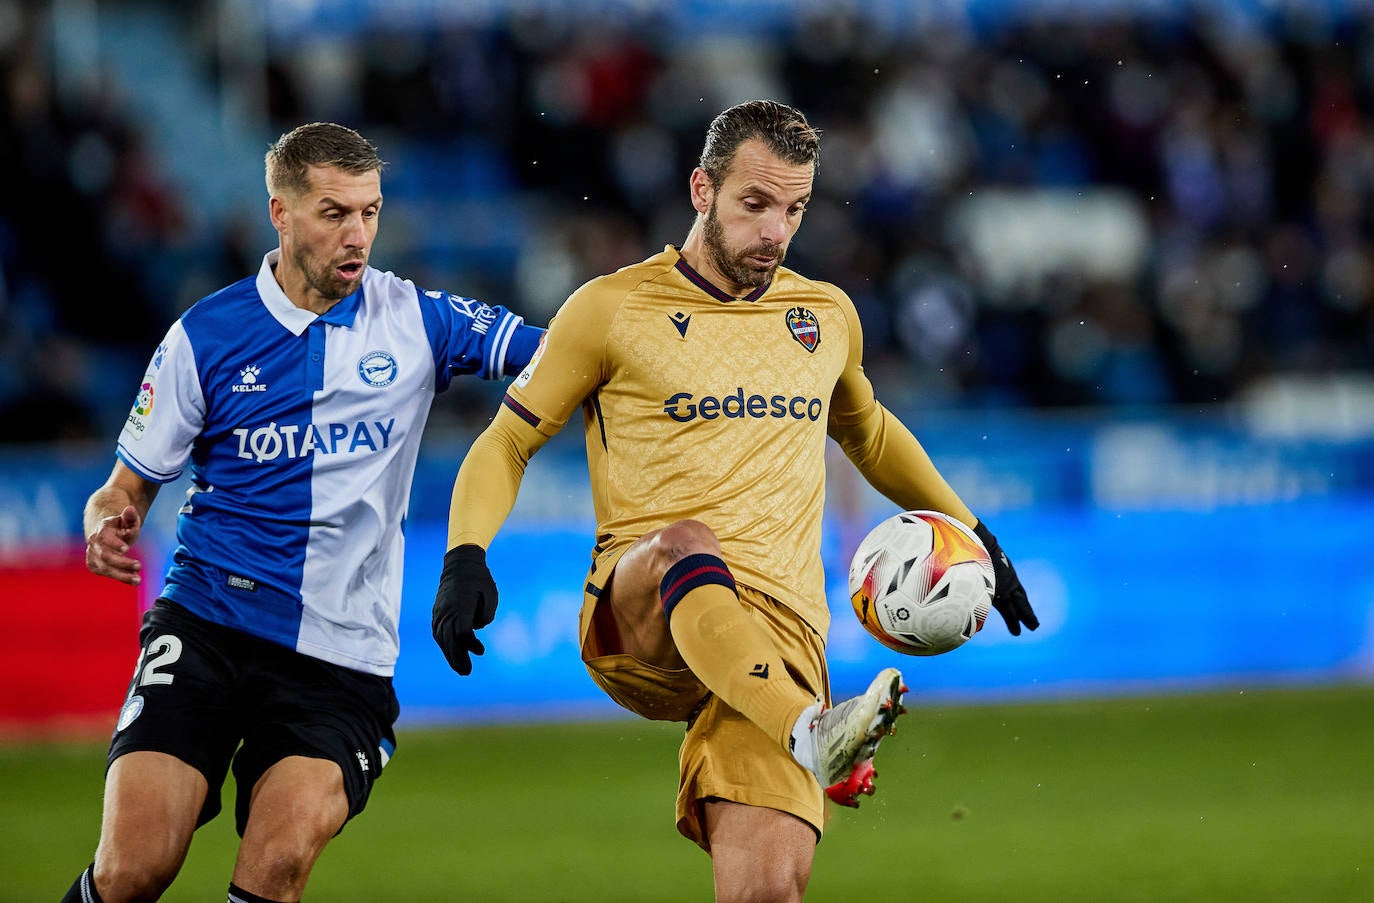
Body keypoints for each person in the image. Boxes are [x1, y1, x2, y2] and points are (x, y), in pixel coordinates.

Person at [430, 99, 1038, 901]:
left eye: (795, 209)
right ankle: (813, 733)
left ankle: (801, 725)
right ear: (701, 190)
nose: (775, 231)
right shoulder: (610, 309)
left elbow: (873, 434)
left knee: (768, 892)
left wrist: (975, 531)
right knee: (688, 542)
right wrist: (465, 554)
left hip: (777, 645)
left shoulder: (824, 314)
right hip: (642, 610)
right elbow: (506, 440)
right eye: (755, 204)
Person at [69, 122, 543, 903]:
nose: (357, 235)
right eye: (334, 213)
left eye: (370, 212)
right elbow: (125, 486)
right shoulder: (205, 336)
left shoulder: (418, 320)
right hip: (208, 624)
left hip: (340, 655)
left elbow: (561, 351)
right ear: (281, 214)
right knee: (131, 869)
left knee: (275, 866)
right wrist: (105, 517)